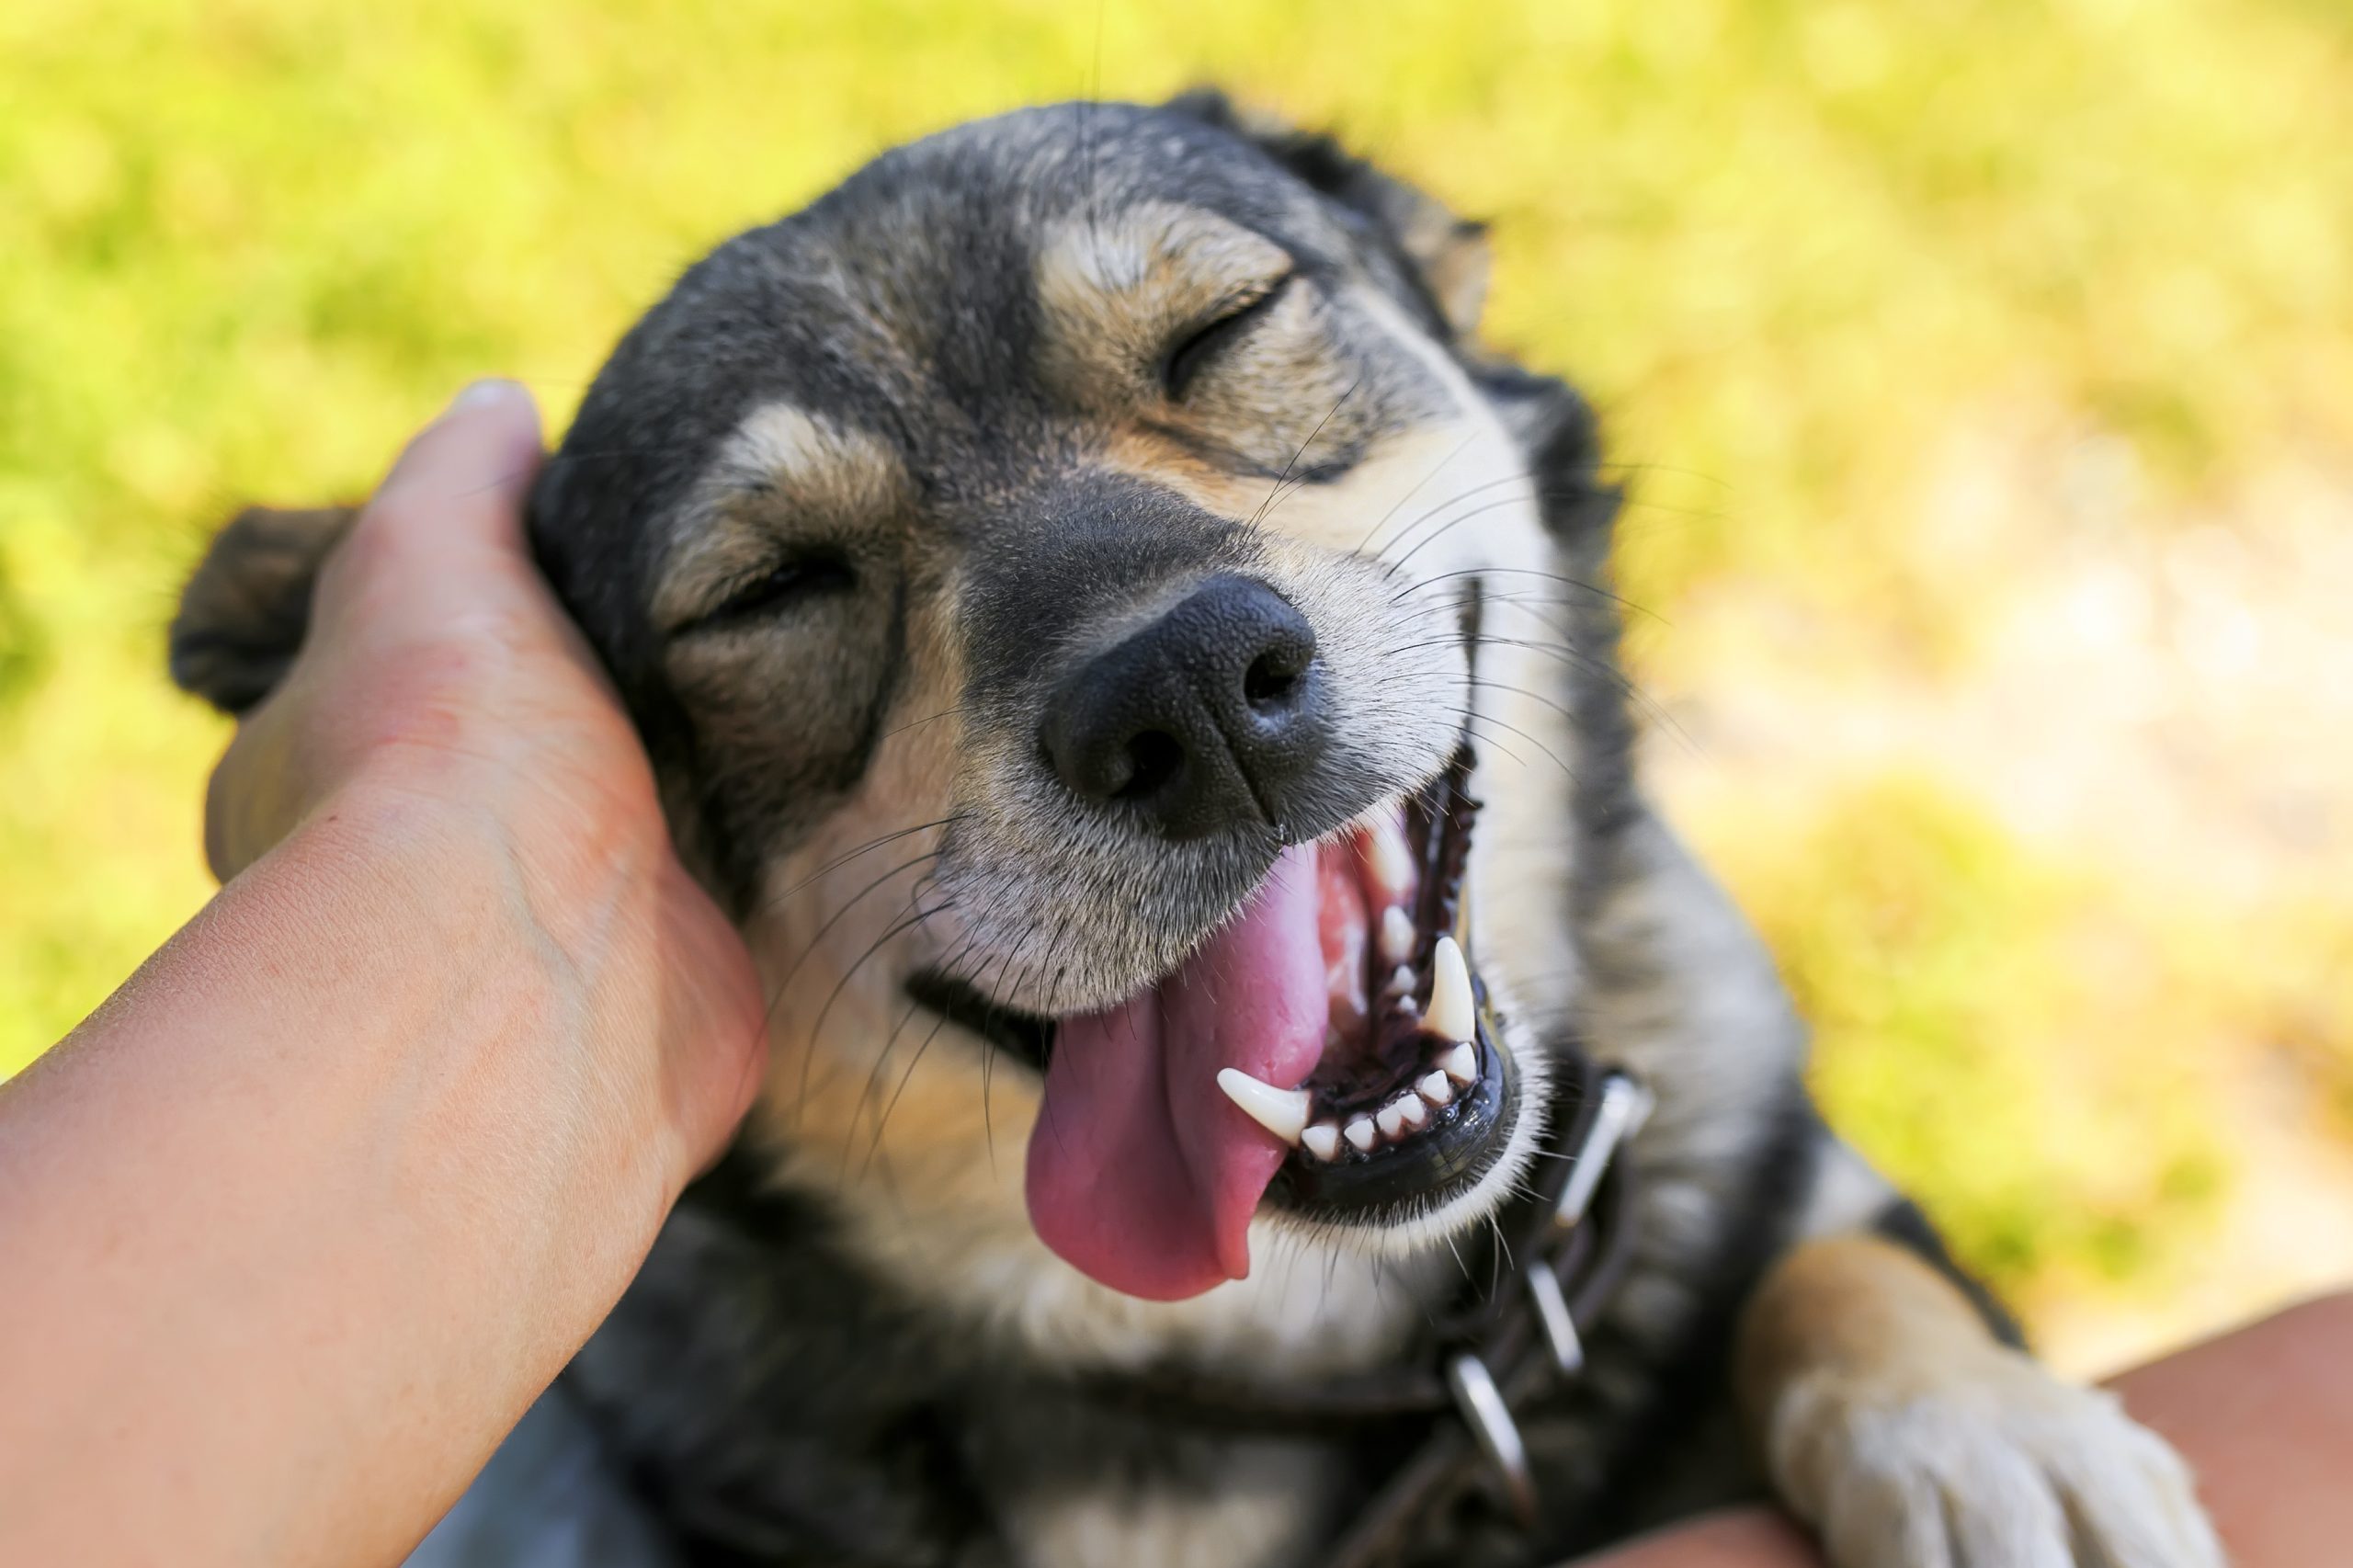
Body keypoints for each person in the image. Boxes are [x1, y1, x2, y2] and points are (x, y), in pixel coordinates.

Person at [0, 383, 2342, 1567]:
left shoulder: (1674, 1051)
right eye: (779, 590)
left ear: (1466, 353)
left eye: (1220, 347)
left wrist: (1857, 1332)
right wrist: (454, 833)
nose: (1167, 644)